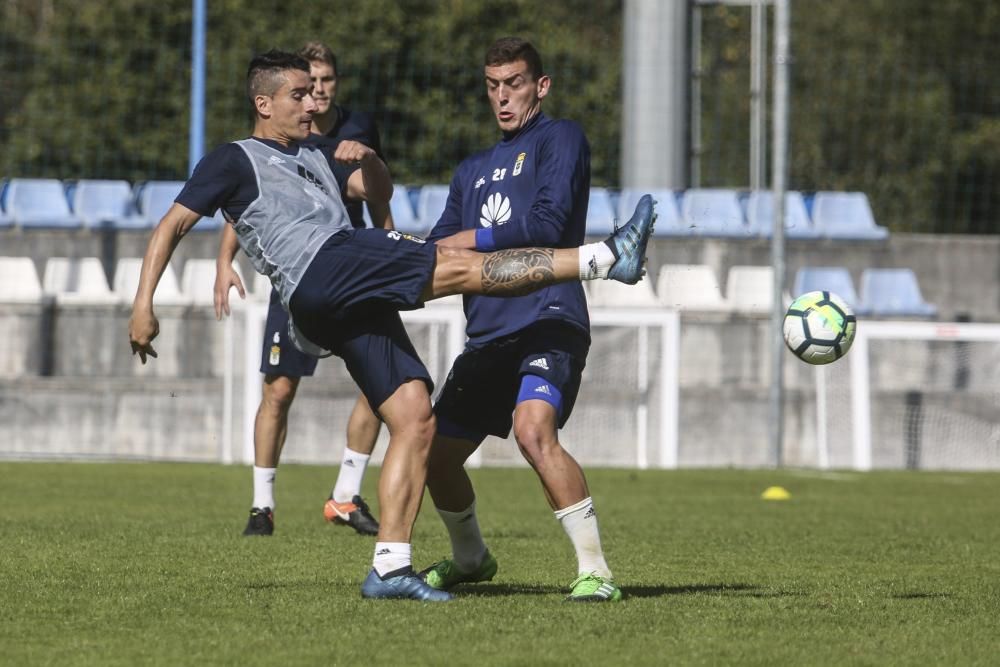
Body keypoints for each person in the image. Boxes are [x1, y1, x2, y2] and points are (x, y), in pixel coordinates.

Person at [127, 49, 655, 602]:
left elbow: (376, 191)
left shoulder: (318, 153)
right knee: (454, 268)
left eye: (314, 91)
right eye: (299, 94)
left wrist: (369, 160)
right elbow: (172, 223)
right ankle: (603, 259)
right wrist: (144, 303)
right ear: (264, 103)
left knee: (415, 418)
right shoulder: (233, 159)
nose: (314, 102)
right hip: (326, 264)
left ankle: (390, 566)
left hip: (341, 297)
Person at [419, 37, 623, 602]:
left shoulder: (561, 138)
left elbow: (548, 223)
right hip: (487, 332)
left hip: (548, 317)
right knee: (435, 458)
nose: (503, 96)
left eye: (514, 83)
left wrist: (467, 240)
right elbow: (440, 245)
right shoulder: (473, 168)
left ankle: (595, 571)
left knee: (534, 432)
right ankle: (471, 558)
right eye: (493, 85)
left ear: (541, 85)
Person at [214, 41, 390, 538]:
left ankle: (345, 495)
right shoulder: (276, 142)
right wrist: (225, 259)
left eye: (326, 82)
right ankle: (261, 506)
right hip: (301, 274)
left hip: (354, 269)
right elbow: (247, 199)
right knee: (280, 389)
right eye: (307, 87)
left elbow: (378, 188)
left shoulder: (357, 130)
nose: (316, 95)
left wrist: (387, 241)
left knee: (381, 384)